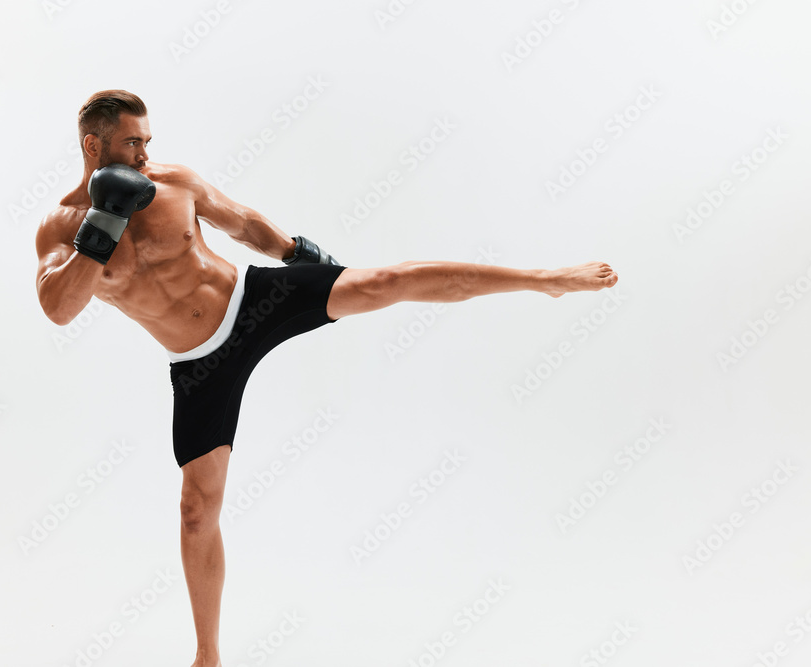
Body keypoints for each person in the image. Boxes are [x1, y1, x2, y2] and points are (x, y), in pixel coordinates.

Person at [35, 89, 619, 667]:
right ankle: (207, 657)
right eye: (132, 143)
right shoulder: (59, 228)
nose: (144, 154)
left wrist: (300, 254)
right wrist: (105, 221)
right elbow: (59, 308)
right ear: (93, 146)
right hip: (199, 362)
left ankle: (544, 279)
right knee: (196, 510)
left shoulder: (175, 182)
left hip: (251, 301)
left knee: (385, 281)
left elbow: (244, 223)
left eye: (148, 140)